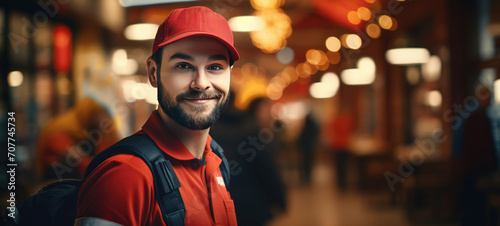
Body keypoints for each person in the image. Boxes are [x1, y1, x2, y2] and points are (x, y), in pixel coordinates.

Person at [75, 6, 239, 226]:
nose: (201, 83)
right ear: (153, 73)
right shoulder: (126, 175)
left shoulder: (216, 161)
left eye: (215, 67)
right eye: (183, 65)